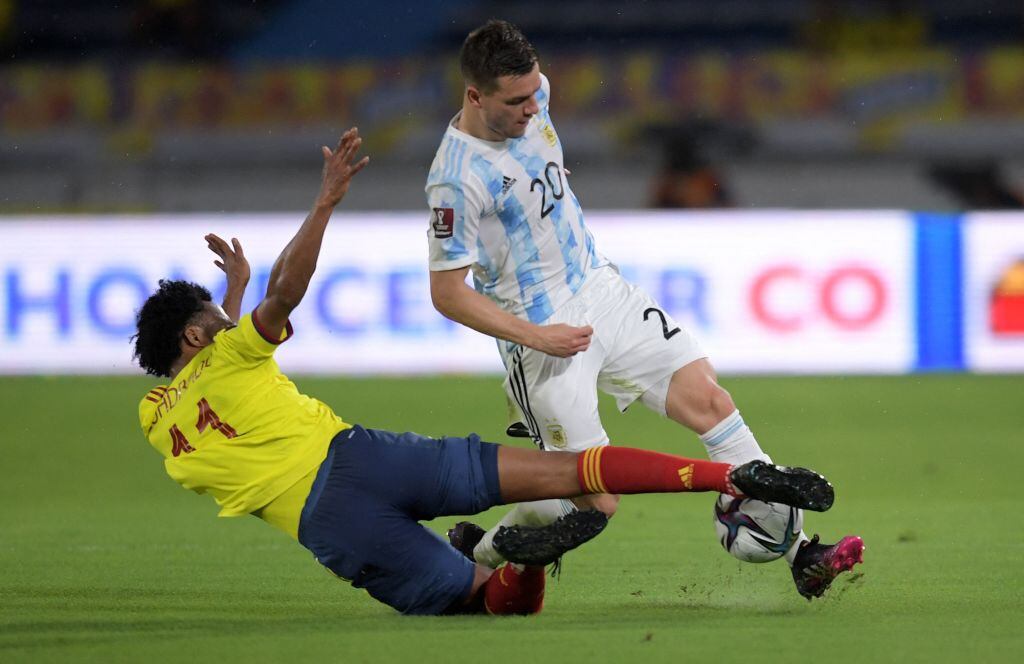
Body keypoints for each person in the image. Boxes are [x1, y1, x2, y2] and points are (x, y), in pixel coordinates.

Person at [133, 128, 838, 616]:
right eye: (219, 318)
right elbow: (278, 302)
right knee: (573, 475)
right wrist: (322, 206)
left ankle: (519, 557)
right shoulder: (229, 354)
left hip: (330, 523)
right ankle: (728, 485)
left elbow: (204, 372)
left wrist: (224, 299)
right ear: (200, 334)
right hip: (368, 457)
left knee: (486, 600)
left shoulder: (155, 417)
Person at [424, 20, 863, 600]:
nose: (534, 107)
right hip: (544, 334)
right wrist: (537, 337)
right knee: (588, 498)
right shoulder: (454, 181)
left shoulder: (535, 96)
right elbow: (447, 293)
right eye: (517, 101)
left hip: (602, 289)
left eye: (536, 92)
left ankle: (804, 555)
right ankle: (478, 550)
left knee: (710, 400)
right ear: (475, 96)